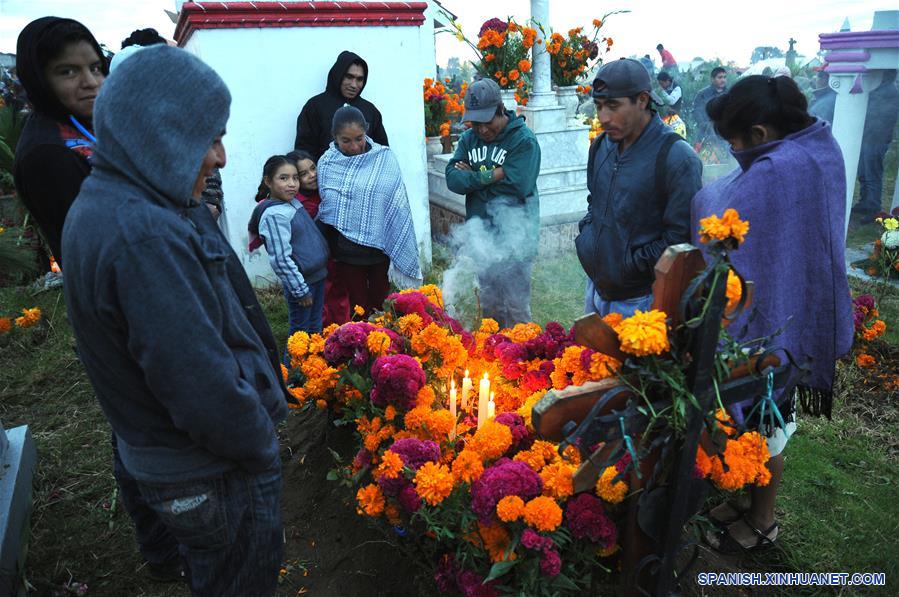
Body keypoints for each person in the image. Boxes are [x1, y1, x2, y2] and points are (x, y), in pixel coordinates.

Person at [61, 45, 289, 595]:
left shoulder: (112, 200)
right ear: (162, 134)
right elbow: (198, 383)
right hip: (209, 471)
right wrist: (260, 447)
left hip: (183, 468)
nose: (221, 158)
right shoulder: (144, 236)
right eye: (210, 138)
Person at [692, 75, 853, 552]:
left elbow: (720, 205)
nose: (735, 155)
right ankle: (745, 502)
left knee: (769, 417)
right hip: (799, 296)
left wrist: (703, 199)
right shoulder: (818, 146)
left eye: (736, 144)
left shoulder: (779, 169)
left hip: (779, 315)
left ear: (759, 134)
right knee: (764, 416)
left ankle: (763, 521)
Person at [575, 58, 702, 317]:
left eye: (613, 106)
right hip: (597, 286)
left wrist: (627, 265)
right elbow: (595, 201)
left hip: (641, 300)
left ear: (642, 100)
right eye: (599, 106)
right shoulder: (601, 146)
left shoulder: (676, 156)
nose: (603, 117)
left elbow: (678, 239)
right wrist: (588, 238)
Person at [445, 78, 541, 328]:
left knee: (516, 308)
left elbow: (519, 185)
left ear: (500, 109)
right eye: (475, 123)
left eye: (486, 122)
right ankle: (494, 360)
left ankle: (522, 359)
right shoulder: (468, 139)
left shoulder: (523, 141)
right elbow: (453, 180)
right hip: (481, 236)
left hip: (516, 239)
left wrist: (473, 180)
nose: (482, 130)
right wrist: (492, 175)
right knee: (489, 306)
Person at [13, 17, 107, 264]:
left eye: (95, 68)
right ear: (38, 79)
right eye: (68, 71)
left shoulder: (82, 124)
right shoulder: (48, 153)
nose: (91, 82)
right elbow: (97, 248)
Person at [317, 106, 421, 315]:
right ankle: (359, 346)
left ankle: (385, 345)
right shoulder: (327, 164)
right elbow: (329, 207)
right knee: (358, 309)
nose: (354, 146)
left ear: (366, 132)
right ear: (334, 137)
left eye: (359, 138)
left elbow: (396, 202)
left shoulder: (384, 158)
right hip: (347, 252)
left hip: (380, 250)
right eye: (346, 140)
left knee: (382, 306)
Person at [248, 155, 329, 343]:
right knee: (300, 335)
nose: (292, 184)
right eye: (283, 178)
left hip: (316, 277)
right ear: (268, 181)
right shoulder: (274, 215)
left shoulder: (291, 202)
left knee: (315, 327)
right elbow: (281, 259)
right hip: (302, 284)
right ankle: (294, 371)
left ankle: (315, 370)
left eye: (294, 178)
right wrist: (300, 290)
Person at [285, 149, 350, 325]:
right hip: (312, 263)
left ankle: (344, 332)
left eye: (313, 168)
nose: (312, 175)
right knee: (321, 301)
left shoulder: (326, 191)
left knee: (339, 294)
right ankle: (322, 340)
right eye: (304, 174)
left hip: (334, 255)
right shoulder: (295, 204)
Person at [294, 51, 388, 162]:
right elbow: (304, 154)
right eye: (349, 77)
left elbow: (383, 152)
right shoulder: (315, 107)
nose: (354, 85)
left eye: (359, 79)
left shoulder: (370, 110)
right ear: (338, 75)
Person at [853, 70, 899, 220]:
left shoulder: (889, 92)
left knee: (872, 174)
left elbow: (880, 117)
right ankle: (864, 202)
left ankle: (873, 208)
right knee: (863, 172)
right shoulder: (879, 90)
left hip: (877, 139)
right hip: (869, 137)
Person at [693, 67, 728, 141]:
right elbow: (697, 111)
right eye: (720, 77)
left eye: (724, 77)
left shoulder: (729, 94)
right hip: (706, 135)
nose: (723, 80)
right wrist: (706, 125)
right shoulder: (702, 94)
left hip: (725, 134)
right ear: (712, 79)